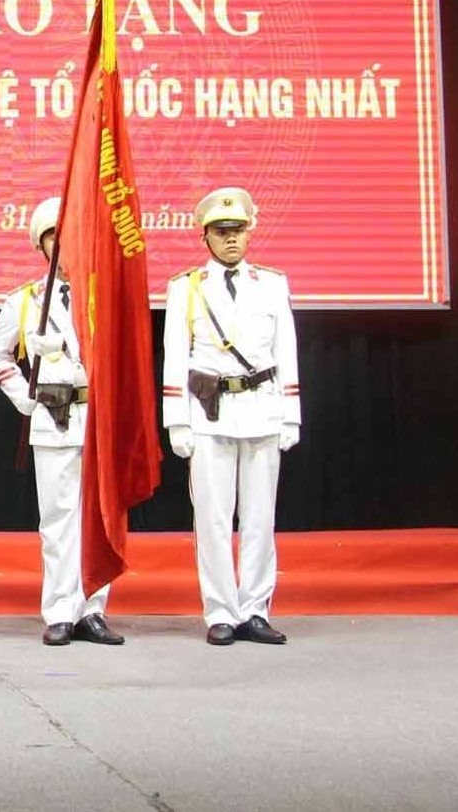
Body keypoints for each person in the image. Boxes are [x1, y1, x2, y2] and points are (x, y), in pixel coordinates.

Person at [162, 187, 302, 646]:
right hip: (210, 412)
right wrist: (176, 419)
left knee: (261, 517)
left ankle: (256, 608)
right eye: (221, 233)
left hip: (262, 407)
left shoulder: (272, 284)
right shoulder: (186, 287)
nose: (231, 240)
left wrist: (291, 414)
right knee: (214, 518)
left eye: (238, 231)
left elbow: (286, 351)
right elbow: (175, 355)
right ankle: (220, 610)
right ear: (205, 238)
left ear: (249, 233)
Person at [0, 197, 125, 646]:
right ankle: (61, 610)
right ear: (42, 247)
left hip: (96, 417)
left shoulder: (103, 297)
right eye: (54, 241)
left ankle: (94, 609)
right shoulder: (25, 302)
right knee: (58, 519)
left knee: (97, 520)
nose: (64, 249)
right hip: (53, 417)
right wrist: (23, 393)